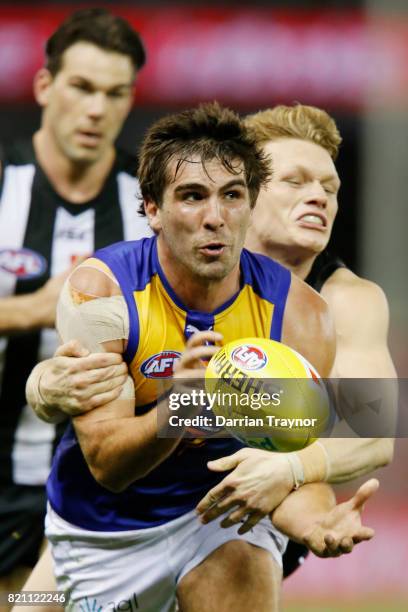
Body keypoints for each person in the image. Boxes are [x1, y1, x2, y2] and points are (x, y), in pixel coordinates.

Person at [24, 101, 376, 612]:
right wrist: (180, 407)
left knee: (244, 565)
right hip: (98, 531)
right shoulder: (105, 290)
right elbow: (109, 466)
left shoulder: (321, 308)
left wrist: (316, 522)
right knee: (25, 598)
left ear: (250, 203)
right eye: (192, 196)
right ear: (152, 209)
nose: (215, 217)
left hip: (219, 522)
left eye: (232, 196)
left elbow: (355, 431)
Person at [0, 7, 148, 600]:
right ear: (44, 86)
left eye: (115, 94)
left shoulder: (150, 206)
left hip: (93, 475)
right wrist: (34, 310)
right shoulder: (5, 184)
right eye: (82, 87)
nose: (96, 109)